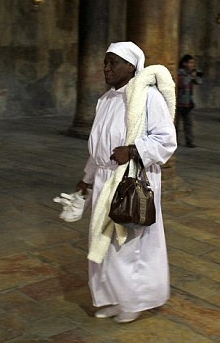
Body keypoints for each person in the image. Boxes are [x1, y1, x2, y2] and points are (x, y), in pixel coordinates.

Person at [75, 41, 177, 323]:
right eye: (105, 62)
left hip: (132, 180)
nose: (106, 68)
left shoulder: (147, 97)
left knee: (128, 244)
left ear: (131, 66)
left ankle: (133, 302)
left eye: (112, 62)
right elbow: (99, 147)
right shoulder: (106, 100)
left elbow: (166, 141)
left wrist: (133, 151)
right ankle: (110, 298)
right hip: (105, 179)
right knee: (104, 242)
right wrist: (86, 179)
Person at [176, 54, 202, 148]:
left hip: (188, 103)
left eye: (193, 63)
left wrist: (196, 76)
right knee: (176, 125)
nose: (192, 65)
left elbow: (199, 82)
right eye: (190, 62)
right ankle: (175, 141)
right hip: (178, 102)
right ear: (184, 63)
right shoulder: (179, 73)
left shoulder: (191, 73)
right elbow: (182, 83)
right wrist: (191, 76)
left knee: (188, 124)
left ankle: (189, 141)